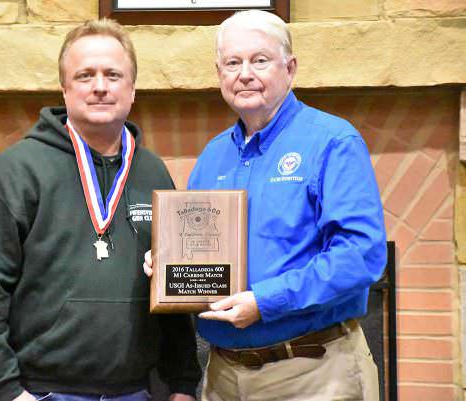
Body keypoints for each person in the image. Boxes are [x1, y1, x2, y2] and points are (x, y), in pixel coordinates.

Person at [144, 10, 387, 401]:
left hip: (314, 374)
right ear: (219, 73)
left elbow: (362, 256)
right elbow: (201, 249)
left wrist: (265, 302)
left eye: (259, 60)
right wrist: (169, 263)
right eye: (232, 63)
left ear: (289, 69)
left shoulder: (332, 142)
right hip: (223, 376)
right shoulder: (213, 156)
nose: (244, 74)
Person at [0, 19, 201, 401]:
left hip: (136, 392)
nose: (100, 86)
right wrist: (5, 391)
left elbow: (174, 289)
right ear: (64, 89)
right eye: (85, 75)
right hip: (43, 393)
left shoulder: (153, 172)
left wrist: (183, 383)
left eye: (113, 74)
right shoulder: (17, 171)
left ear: (132, 89)